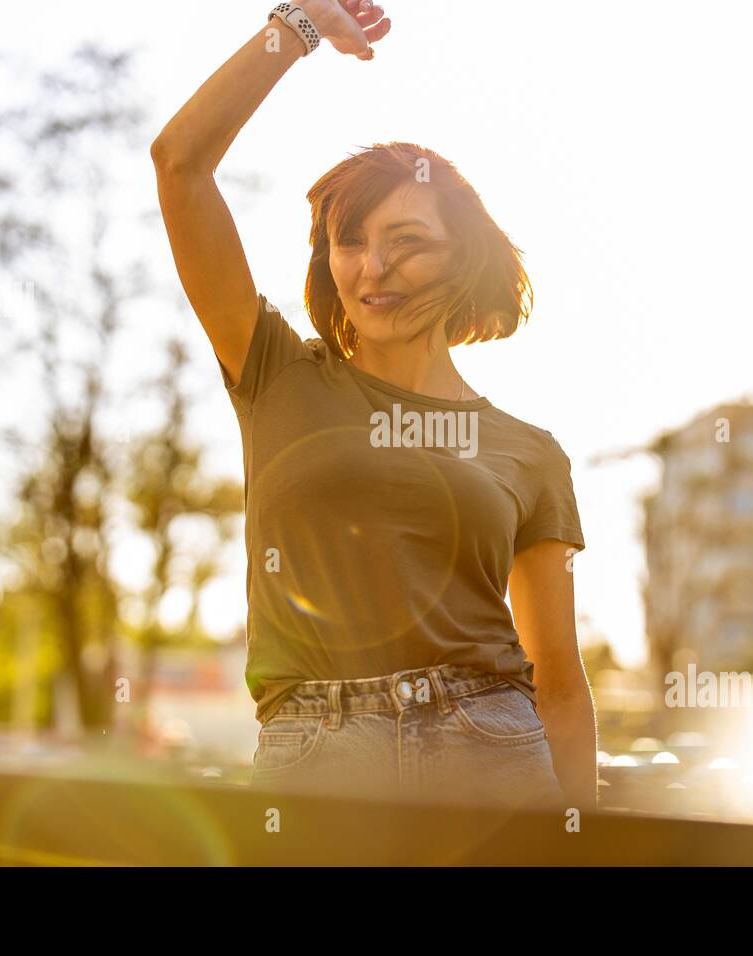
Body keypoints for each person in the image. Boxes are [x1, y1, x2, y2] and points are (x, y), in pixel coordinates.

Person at [151, 0, 596, 811]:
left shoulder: (531, 453)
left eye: (408, 241)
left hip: (492, 755)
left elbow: (561, 688)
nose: (373, 268)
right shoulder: (277, 373)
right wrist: (294, 27)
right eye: (349, 242)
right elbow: (179, 163)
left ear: (463, 257)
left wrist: (584, 840)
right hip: (316, 760)